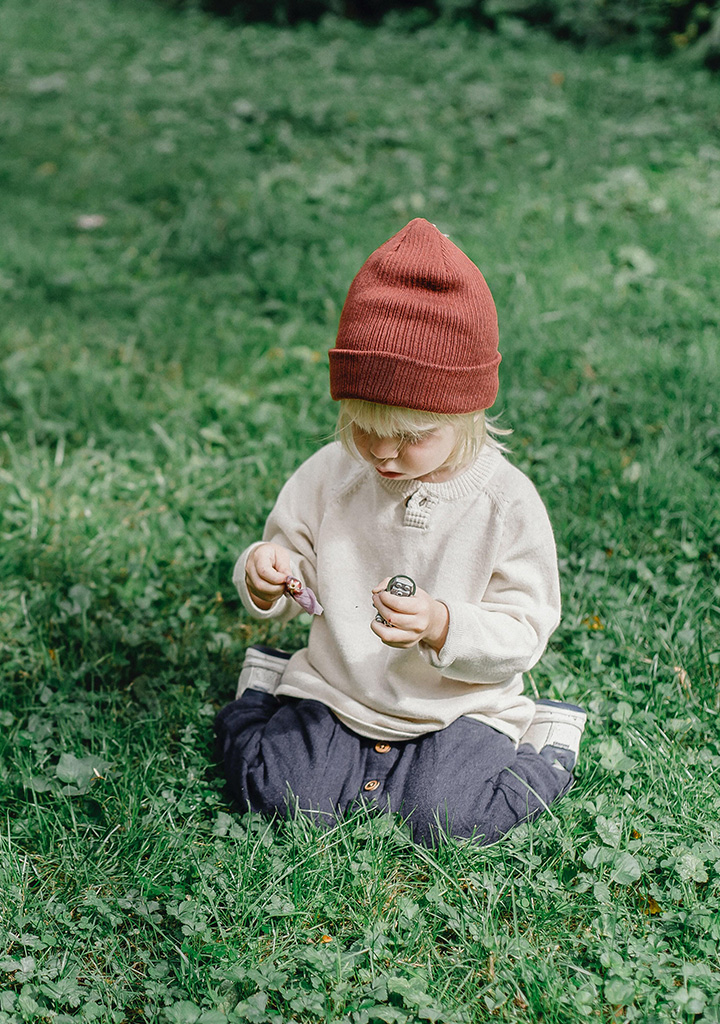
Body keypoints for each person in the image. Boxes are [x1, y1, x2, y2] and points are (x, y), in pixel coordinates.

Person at [215, 218, 586, 847]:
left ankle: (546, 740)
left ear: (466, 413)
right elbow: (289, 554)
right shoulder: (334, 474)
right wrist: (266, 570)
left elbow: (523, 630)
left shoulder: (505, 504)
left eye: (411, 438)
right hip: (337, 689)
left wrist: (445, 625)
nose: (383, 454)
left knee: (449, 818)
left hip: (456, 707)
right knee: (276, 794)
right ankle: (268, 685)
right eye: (363, 426)